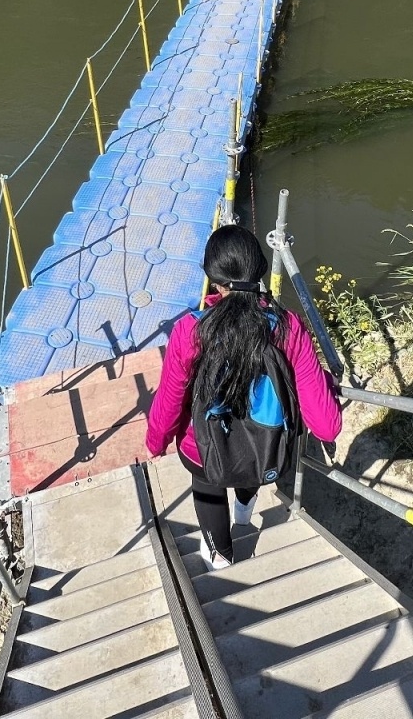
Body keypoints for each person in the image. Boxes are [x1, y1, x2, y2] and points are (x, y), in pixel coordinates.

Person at [145, 225, 342, 569]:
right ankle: (244, 515)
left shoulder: (190, 331)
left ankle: (221, 559)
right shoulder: (289, 327)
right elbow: (326, 427)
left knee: (207, 487)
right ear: (260, 271)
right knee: (251, 465)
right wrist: (324, 381)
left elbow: (171, 399)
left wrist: (156, 442)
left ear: (212, 277)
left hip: (203, 450)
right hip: (262, 450)